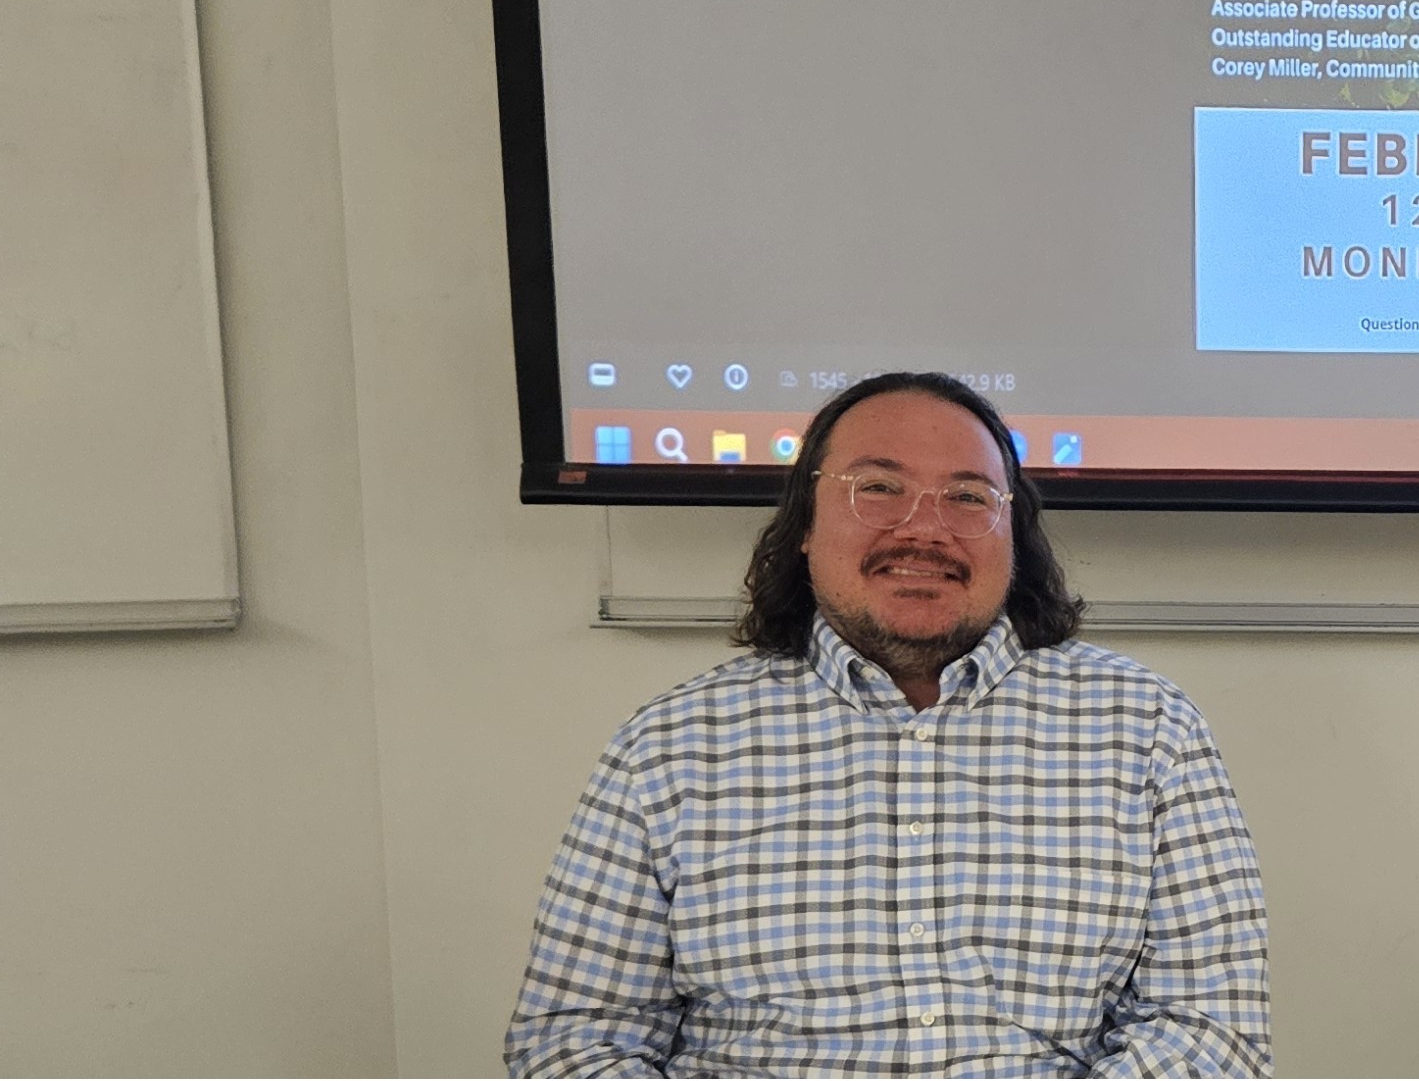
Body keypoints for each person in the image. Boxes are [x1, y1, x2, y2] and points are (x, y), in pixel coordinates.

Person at [505, 372, 1271, 1077]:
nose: (924, 528)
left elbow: (1210, 1030)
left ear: (1014, 532)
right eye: (878, 487)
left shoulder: (1146, 729)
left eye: (968, 496)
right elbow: (574, 1040)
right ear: (805, 523)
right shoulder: (668, 748)